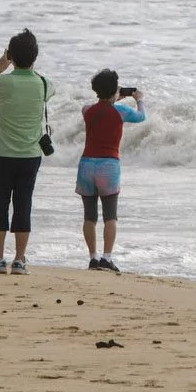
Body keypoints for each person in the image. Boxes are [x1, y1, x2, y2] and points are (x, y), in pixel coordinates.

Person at [0, 28, 49, 275]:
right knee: (23, 204)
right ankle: (19, 260)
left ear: (11, 56)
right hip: (30, 156)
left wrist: (0, 67)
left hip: (2, 154)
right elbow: (48, 89)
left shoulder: (3, 82)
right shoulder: (43, 83)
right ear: (35, 57)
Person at [77, 69, 146, 272]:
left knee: (89, 216)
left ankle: (93, 257)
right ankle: (106, 258)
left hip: (86, 165)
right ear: (115, 89)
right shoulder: (121, 112)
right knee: (110, 216)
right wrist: (139, 100)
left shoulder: (87, 110)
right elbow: (141, 116)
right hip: (108, 166)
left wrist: (113, 97)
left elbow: (101, 109)